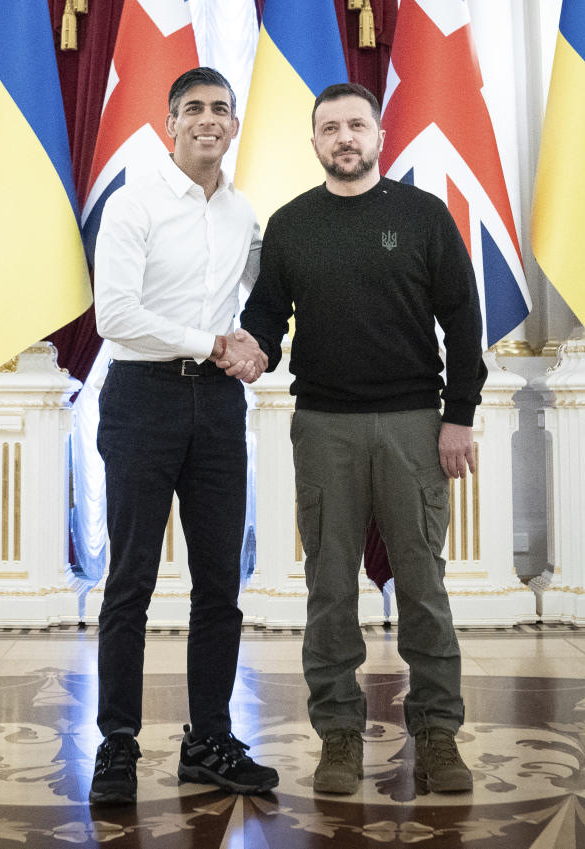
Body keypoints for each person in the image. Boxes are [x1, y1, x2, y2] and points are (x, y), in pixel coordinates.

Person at [234, 82, 486, 797]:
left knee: (426, 587)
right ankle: (338, 736)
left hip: (415, 425)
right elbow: (265, 320)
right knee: (328, 589)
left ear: (379, 135)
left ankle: (437, 733)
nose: (344, 137)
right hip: (323, 428)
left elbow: (464, 322)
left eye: (356, 124)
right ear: (314, 142)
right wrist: (250, 351)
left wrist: (459, 415)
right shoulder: (289, 225)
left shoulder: (423, 216)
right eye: (330, 128)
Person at [89, 66, 278, 805]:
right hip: (142, 398)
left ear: (233, 126)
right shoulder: (133, 205)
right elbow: (115, 316)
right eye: (193, 108)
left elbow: (262, 307)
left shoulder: (243, 215)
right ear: (170, 123)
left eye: (220, 109)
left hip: (218, 410)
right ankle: (117, 746)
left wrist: (256, 347)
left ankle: (209, 742)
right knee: (130, 579)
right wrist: (213, 342)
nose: (208, 119)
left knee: (220, 584)